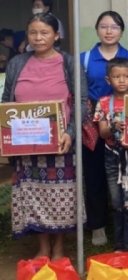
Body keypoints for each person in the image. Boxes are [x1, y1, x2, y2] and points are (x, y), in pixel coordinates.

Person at [3, 13, 86, 259]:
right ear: (27, 35)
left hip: (59, 142)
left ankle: (59, 246)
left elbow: (81, 102)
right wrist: (4, 134)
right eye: (33, 33)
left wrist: (70, 133)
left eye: (44, 33)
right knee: (32, 194)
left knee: (61, 196)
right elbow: (7, 100)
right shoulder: (17, 63)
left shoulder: (69, 63)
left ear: (56, 35)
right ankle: (42, 247)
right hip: (24, 143)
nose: (38, 38)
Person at [81, 11, 128, 246]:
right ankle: (98, 225)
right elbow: (81, 93)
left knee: (126, 171)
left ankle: (127, 222)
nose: (109, 31)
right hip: (94, 122)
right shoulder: (85, 58)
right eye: (104, 26)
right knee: (94, 175)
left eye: (114, 27)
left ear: (122, 30)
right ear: (97, 30)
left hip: (124, 119)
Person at [93, 57, 128, 252]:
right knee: (117, 202)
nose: (122, 80)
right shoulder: (104, 103)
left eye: (126, 76)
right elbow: (102, 133)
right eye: (116, 76)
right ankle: (119, 247)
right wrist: (114, 126)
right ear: (108, 80)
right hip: (112, 155)